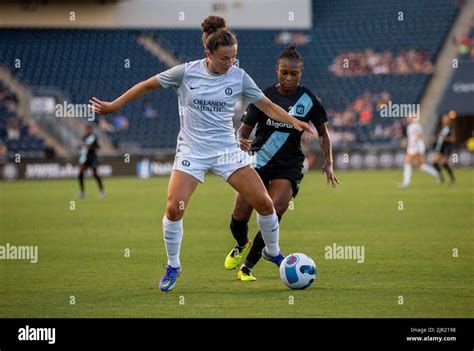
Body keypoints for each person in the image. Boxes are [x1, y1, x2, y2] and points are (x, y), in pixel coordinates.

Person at [89, 16, 312, 292]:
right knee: (174, 208)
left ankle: (274, 253)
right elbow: (146, 85)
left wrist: (294, 122)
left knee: (265, 204)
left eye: (234, 57)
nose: (230, 63)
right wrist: (114, 105)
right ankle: (173, 266)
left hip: (226, 152)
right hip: (192, 152)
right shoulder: (185, 72)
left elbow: (266, 105)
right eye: (224, 58)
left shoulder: (239, 76)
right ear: (208, 54)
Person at [223, 46, 338, 281]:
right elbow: (243, 131)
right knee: (239, 214)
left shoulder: (309, 100)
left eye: (293, 74)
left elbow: (324, 132)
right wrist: (242, 141)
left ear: (301, 73)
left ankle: (247, 266)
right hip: (259, 161)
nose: (288, 78)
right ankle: (241, 243)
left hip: (289, 166)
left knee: (273, 213)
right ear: (277, 70)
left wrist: (329, 162)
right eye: (284, 72)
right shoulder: (263, 97)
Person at [399, 116, 440, 188]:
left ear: (412, 118)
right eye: (407, 118)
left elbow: (420, 134)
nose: (407, 119)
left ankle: (437, 174)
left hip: (417, 147)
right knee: (415, 165)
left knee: (416, 165)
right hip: (411, 148)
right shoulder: (409, 127)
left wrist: (414, 142)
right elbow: (410, 137)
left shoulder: (416, 125)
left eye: (408, 118)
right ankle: (406, 183)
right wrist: (406, 142)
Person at [78, 125, 105, 198]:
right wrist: (79, 147)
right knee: (80, 174)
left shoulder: (95, 137)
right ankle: (82, 192)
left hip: (92, 158)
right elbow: (83, 146)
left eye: (88, 130)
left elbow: (99, 147)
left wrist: (91, 147)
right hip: (85, 158)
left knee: (95, 174)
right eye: (86, 130)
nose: (87, 131)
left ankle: (102, 191)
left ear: (91, 130)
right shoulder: (84, 137)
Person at [432, 113, 456, 184]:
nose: (444, 120)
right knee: (434, 163)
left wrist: (445, 138)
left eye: (446, 119)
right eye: (443, 119)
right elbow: (438, 137)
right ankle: (441, 177)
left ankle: (452, 179)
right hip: (440, 148)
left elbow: (453, 139)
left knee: (444, 164)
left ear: (448, 120)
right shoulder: (440, 128)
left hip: (447, 148)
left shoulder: (450, 129)